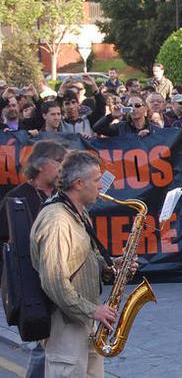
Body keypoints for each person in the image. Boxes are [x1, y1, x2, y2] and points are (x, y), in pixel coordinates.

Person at [30, 151, 137, 378]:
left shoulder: (78, 213)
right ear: (79, 183)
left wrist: (113, 266)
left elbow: (86, 256)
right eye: (97, 180)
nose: (101, 186)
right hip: (67, 324)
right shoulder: (57, 221)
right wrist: (93, 310)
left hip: (86, 321)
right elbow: (54, 281)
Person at [0, 140, 67, 378]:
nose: (63, 166)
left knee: (54, 346)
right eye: (58, 160)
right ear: (40, 164)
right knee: (43, 346)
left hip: (63, 279)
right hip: (33, 283)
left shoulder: (63, 195)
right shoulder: (16, 198)